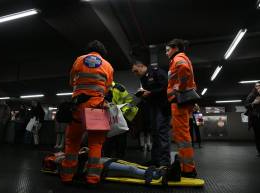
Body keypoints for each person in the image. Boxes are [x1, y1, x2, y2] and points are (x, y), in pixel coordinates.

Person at [60, 40, 114, 185]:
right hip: (97, 106)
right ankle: (92, 178)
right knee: (96, 143)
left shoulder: (79, 60)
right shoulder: (108, 65)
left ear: (88, 50)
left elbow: (72, 82)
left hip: (78, 106)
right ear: (102, 52)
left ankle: (67, 177)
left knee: (72, 141)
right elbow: (108, 87)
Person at [43, 147, 181, 185]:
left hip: (103, 162)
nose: (60, 151)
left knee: (131, 165)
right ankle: (158, 176)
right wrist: (82, 153)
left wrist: (83, 150)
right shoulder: (61, 162)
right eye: (57, 153)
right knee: (130, 169)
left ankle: (164, 172)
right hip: (100, 169)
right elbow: (77, 168)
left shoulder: (66, 157)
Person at [166, 38, 198, 178]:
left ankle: (189, 170)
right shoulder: (182, 58)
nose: (166, 53)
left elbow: (184, 70)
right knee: (182, 135)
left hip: (179, 101)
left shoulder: (178, 58)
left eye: (168, 50)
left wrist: (180, 88)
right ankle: (187, 167)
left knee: (182, 136)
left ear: (176, 48)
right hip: (182, 101)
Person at [132, 60, 171, 167]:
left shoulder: (157, 72)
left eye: (136, 71)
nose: (135, 74)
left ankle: (165, 162)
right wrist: (142, 94)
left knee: (162, 133)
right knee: (154, 133)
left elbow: (167, 87)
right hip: (152, 107)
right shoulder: (143, 78)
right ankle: (155, 160)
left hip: (162, 107)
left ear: (141, 66)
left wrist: (151, 93)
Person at [103, 82, 139, 158]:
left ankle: (120, 157)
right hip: (108, 116)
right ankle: (108, 158)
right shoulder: (100, 89)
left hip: (121, 115)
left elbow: (129, 102)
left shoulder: (119, 88)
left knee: (120, 137)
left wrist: (121, 111)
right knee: (109, 138)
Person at [244, 81, 260, 157]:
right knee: (258, 135)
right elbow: (246, 105)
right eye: (257, 86)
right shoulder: (252, 95)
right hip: (255, 118)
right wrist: (253, 103)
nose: (258, 87)